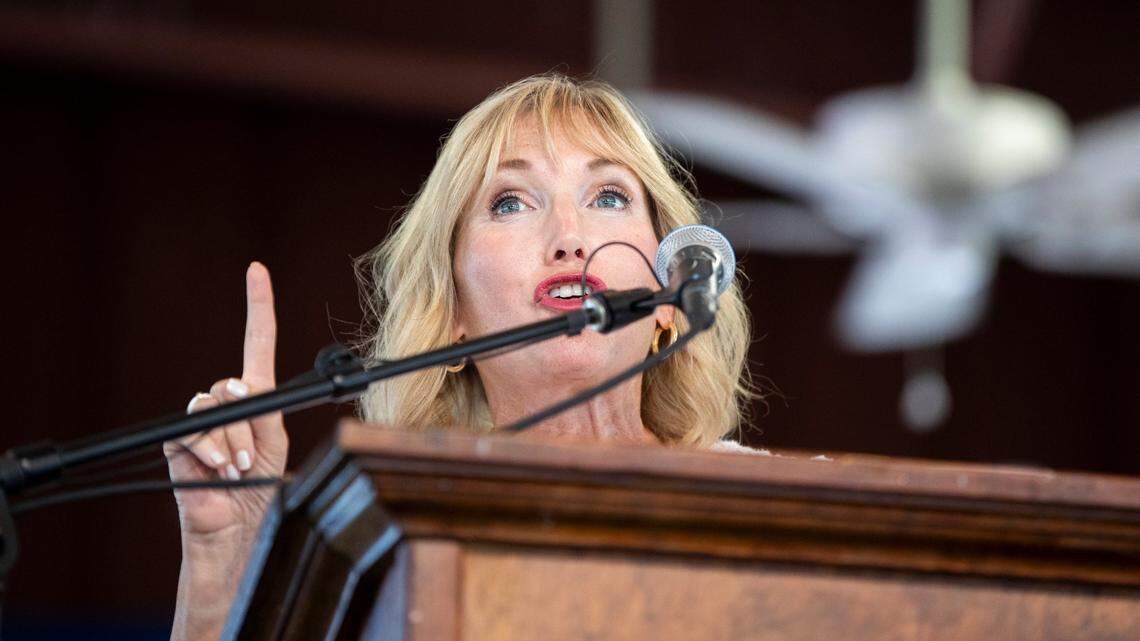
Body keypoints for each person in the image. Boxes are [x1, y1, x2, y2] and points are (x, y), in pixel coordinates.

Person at [165, 73, 756, 640]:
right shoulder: (380, 545)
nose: (570, 236)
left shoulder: (765, 502)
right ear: (451, 315)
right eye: (510, 203)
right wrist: (225, 564)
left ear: (670, 301)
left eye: (607, 196)